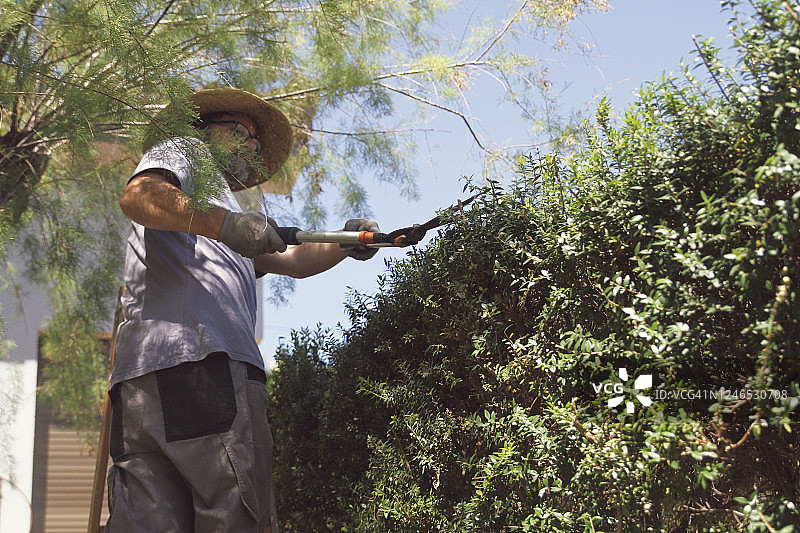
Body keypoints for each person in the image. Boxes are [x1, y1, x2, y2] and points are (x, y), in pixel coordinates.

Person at [106, 87, 379, 532]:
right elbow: (139, 196)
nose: (251, 145)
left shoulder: (215, 214)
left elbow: (292, 261)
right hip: (206, 368)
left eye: (254, 139)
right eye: (241, 132)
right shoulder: (184, 151)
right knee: (234, 517)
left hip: (143, 381)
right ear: (204, 129)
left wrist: (347, 243)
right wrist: (228, 225)